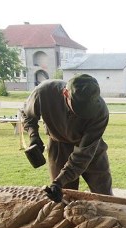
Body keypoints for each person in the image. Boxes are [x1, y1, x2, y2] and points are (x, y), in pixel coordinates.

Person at [22, 73, 113, 203]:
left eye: (87, 110)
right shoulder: (44, 92)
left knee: (105, 196)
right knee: (64, 198)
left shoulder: (101, 112)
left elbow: (82, 156)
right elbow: (27, 113)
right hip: (58, 147)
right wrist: (33, 136)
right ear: (65, 93)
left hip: (90, 149)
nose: (82, 114)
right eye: (78, 108)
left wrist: (59, 181)